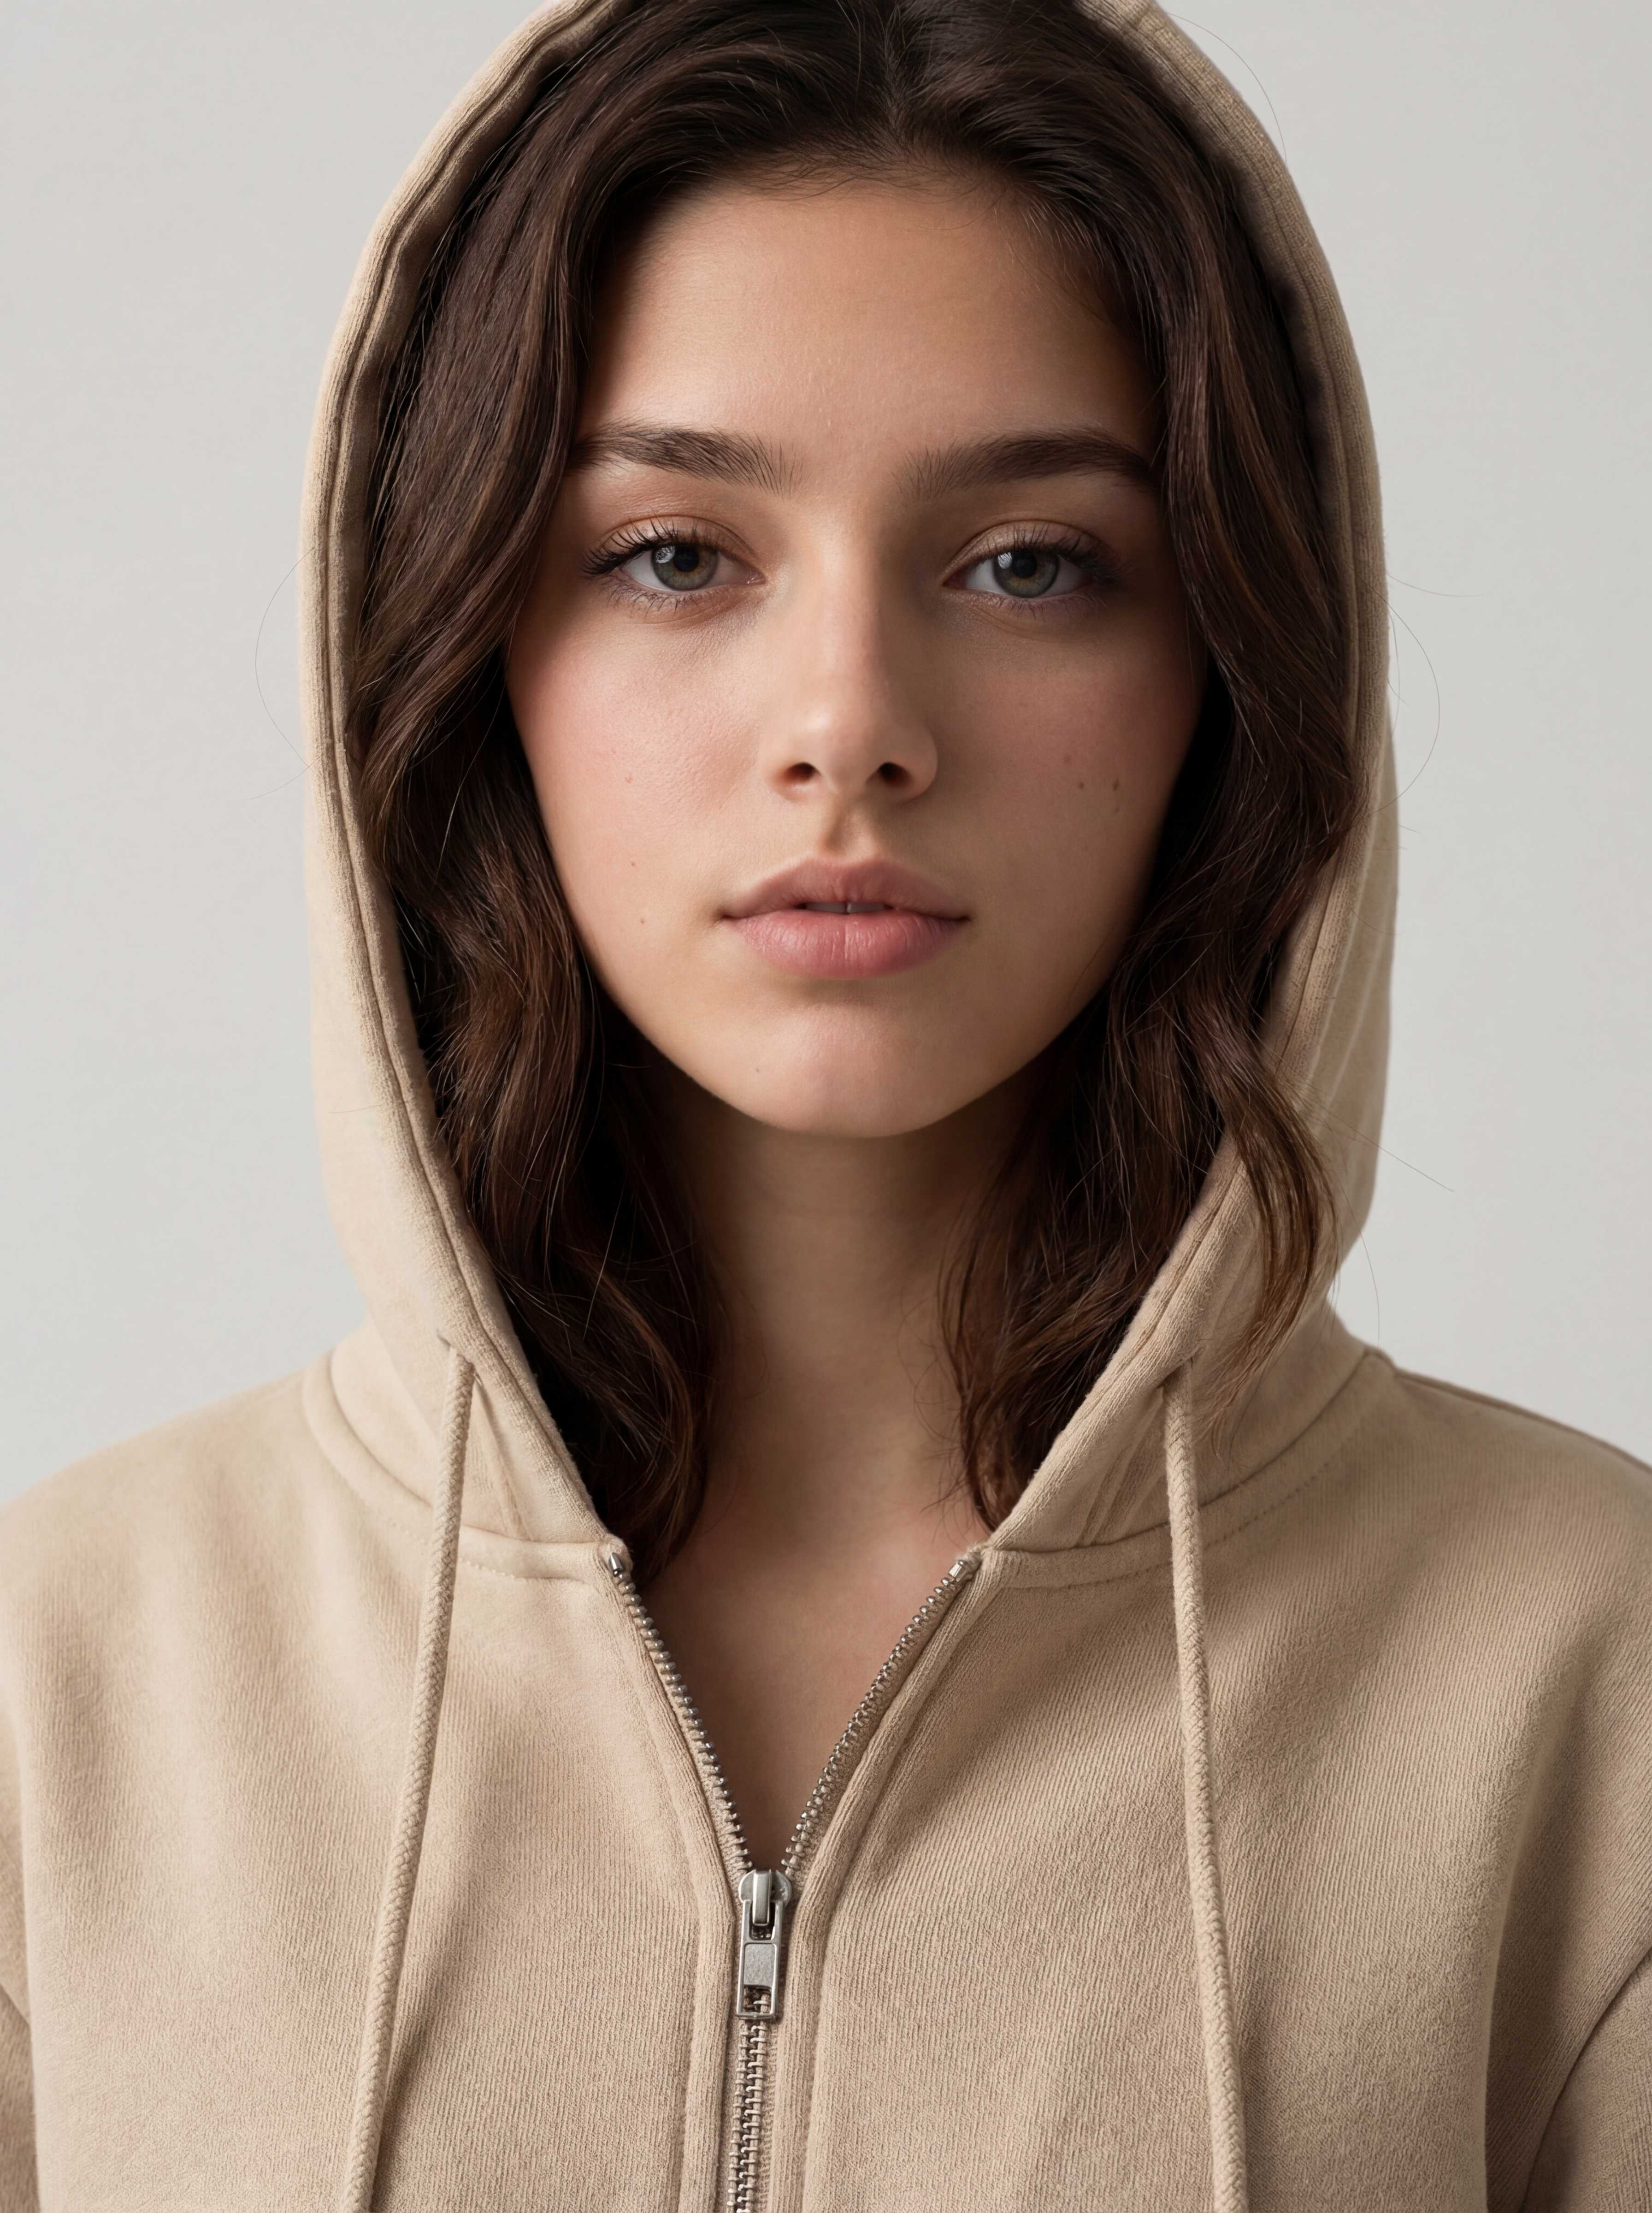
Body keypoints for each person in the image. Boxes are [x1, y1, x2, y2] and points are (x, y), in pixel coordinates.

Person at [2, 0, 1648, 2204]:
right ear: (468, 648)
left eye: (1028, 563)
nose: (850, 722)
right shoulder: (62, 1695)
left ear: (1231, 675)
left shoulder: (1588, 1681)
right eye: (676, 553)